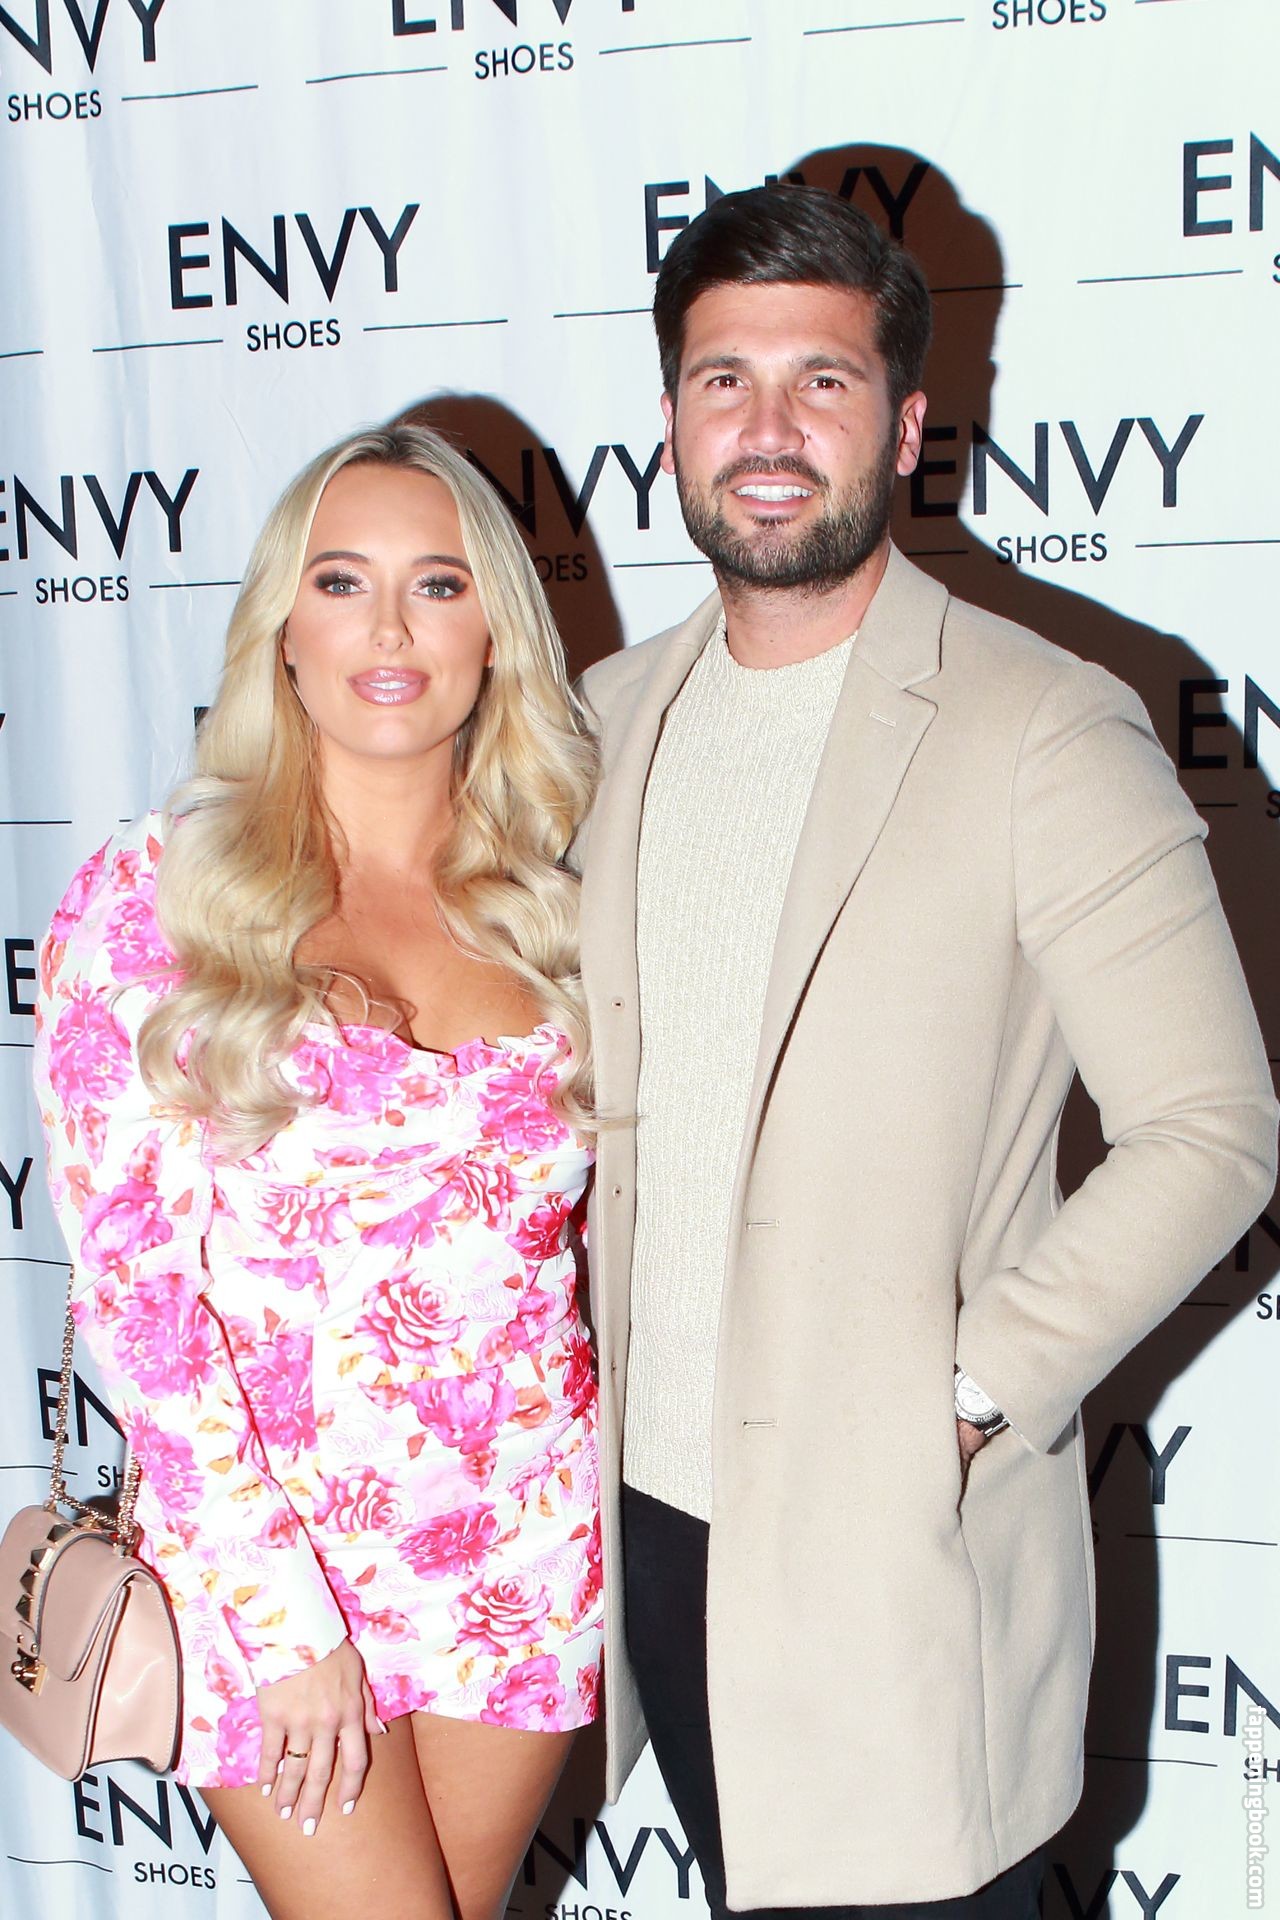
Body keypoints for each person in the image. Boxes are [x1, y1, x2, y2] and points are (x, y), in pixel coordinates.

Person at [575, 185, 1278, 1920]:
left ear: (903, 425)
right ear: (669, 418)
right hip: (647, 1538)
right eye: (725, 379)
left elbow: (1212, 1128)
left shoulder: (1045, 726)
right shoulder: (598, 720)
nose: (767, 429)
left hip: (892, 1558)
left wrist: (966, 1401)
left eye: (820, 381)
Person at [33, 423, 604, 1920]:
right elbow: (141, 1310)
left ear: (496, 632)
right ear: (283, 631)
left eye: (439, 584)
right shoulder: (158, 897)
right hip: (270, 1555)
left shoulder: (559, 916)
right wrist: (286, 1625)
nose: (390, 629)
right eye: (341, 582)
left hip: (524, 1542)